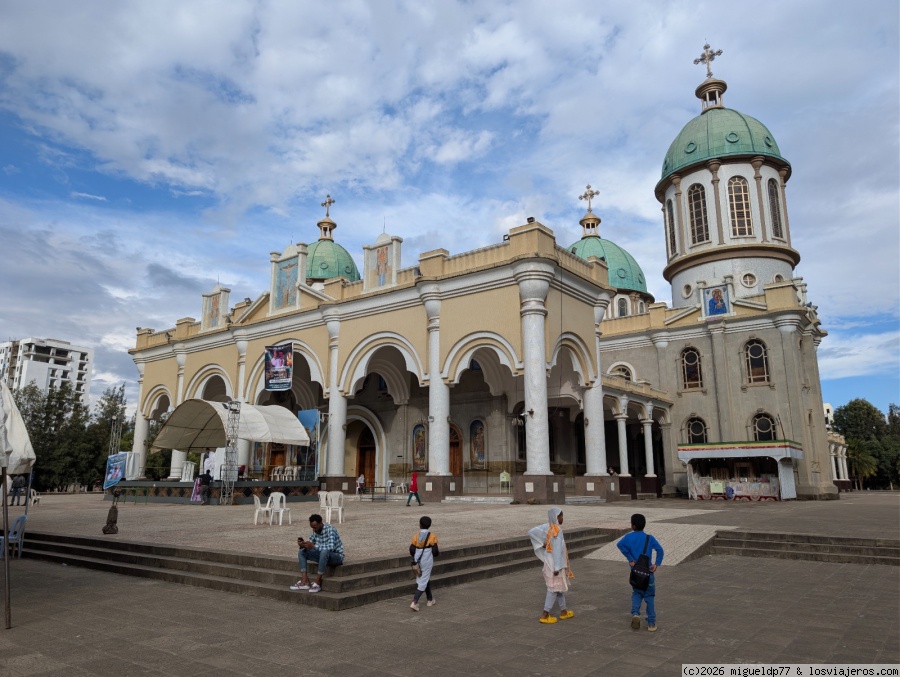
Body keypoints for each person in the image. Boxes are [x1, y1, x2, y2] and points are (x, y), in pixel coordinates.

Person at [616, 513, 664, 632]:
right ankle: (651, 624)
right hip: (648, 574)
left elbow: (619, 545)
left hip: (635, 573)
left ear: (633, 526)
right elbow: (660, 550)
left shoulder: (628, 537)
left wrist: (630, 558)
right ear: (644, 525)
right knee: (649, 597)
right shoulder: (649, 538)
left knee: (637, 593)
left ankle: (636, 613)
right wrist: (656, 564)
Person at [528, 506, 574, 624]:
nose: (562, 518)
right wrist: (557, 567)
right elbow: (557, 550)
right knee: (553, 589)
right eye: (561, 516)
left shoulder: (547, 527)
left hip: (549, 562)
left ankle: (563, 611)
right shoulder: (557, 530)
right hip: (555, 564)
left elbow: (531, 532)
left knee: (559, 588)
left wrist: (542, 543)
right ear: (556, 517)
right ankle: (545, 614)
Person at [290, 514, 344, 593]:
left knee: (324, 551)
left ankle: (318, 582)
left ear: (321, 523)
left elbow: (331, 547)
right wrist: (303, 545)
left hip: (336, 557)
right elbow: (310, 542)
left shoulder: (330, 529)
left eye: (315, 527)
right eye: (312, 527)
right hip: (323, 556)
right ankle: (304, 582)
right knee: (302, 551)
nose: (314, 529)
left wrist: (314, 546)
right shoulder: (315, 530)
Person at [409, 515, 440, 611]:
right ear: (429, 525)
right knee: (423, 580)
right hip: (427, 560)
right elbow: (435, 551)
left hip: (417, 559)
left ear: (420, 525)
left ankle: (430, 599)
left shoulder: (416, 535)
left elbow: (411, 549)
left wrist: (416, 557)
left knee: (424, 578)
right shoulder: (432, 536)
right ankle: (414, 602)